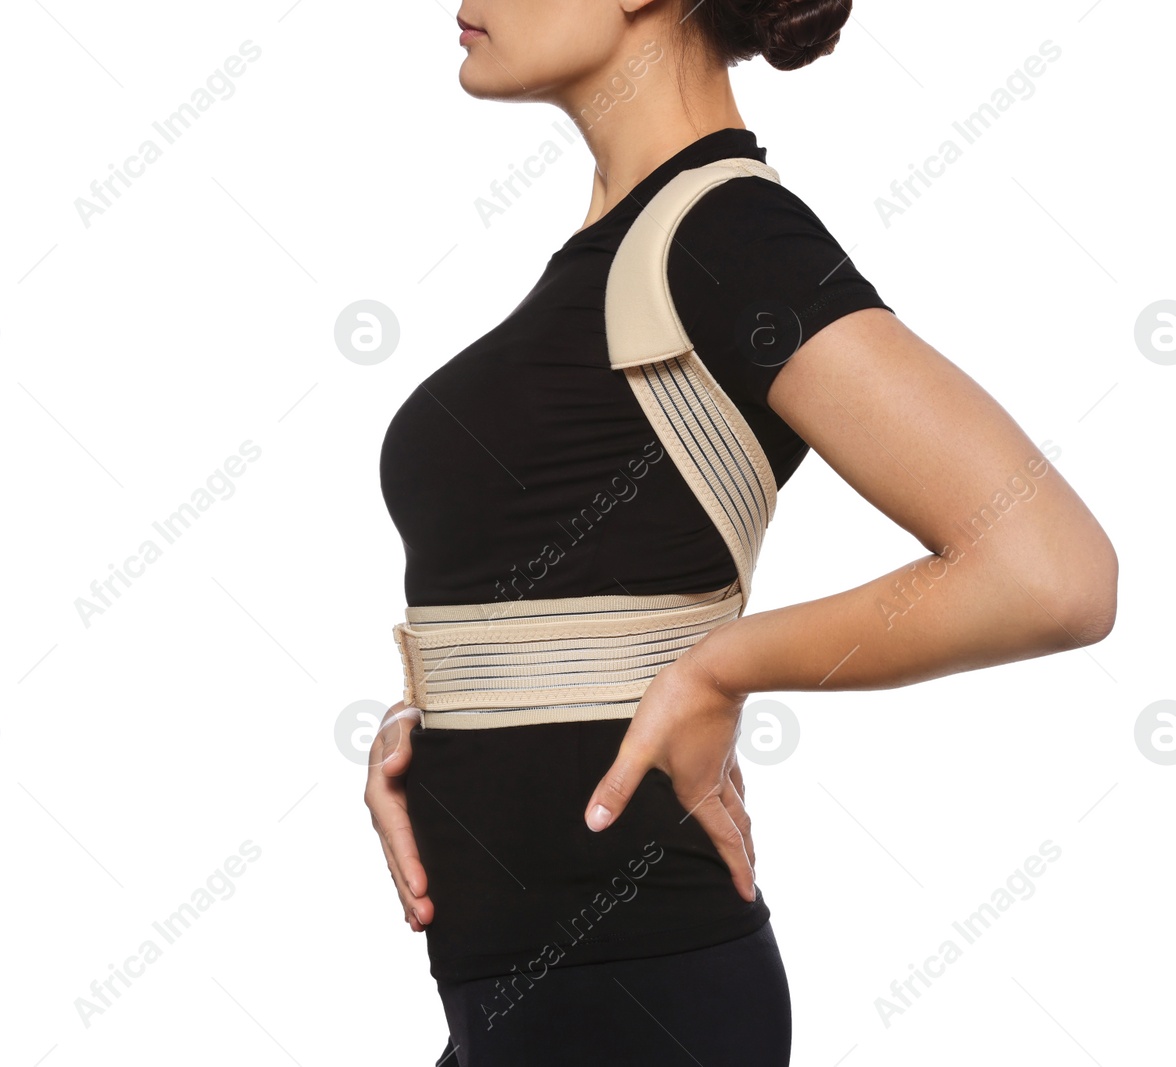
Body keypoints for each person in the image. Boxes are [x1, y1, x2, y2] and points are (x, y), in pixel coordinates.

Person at [368, 2, 1119, 1063]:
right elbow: (563, 576)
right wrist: (435, 716)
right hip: (533, 990)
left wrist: (720, 668)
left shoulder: (725, 239)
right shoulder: (619, 249)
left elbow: (1050, 570)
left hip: (634, 990)